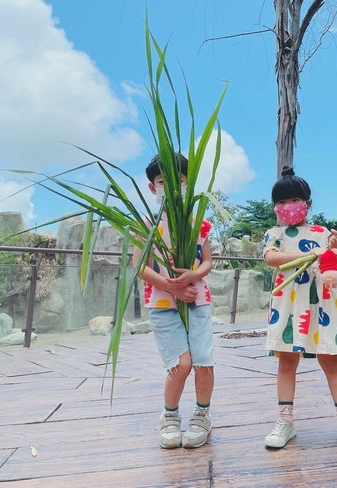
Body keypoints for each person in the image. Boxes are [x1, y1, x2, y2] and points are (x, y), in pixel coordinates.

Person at [261, 166, 337, 450]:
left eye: (293, 200)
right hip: (288, 302)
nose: (287, 207)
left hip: (321, 302)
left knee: (330, 359)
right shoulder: (274, 234)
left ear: (306, 203)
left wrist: (336, 248)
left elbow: (336, 266)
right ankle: (285, 421)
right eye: (280, 202)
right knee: (286, 361)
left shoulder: (322, 233)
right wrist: (309, 253)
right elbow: (272, 259)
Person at [133, 153, 214, 449]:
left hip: (198, 301)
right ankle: (169, 416)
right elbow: (139, 265)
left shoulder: (199, 223)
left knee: (204, 363)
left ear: (188, 183)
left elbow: (207, 262)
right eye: (162, 181)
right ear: (153, 187)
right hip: (163, 304)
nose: (171, 188)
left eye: (178, 182)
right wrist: (171, 286)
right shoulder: (146, 223)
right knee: (181, 364)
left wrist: (192, 277)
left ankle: (202, 415)